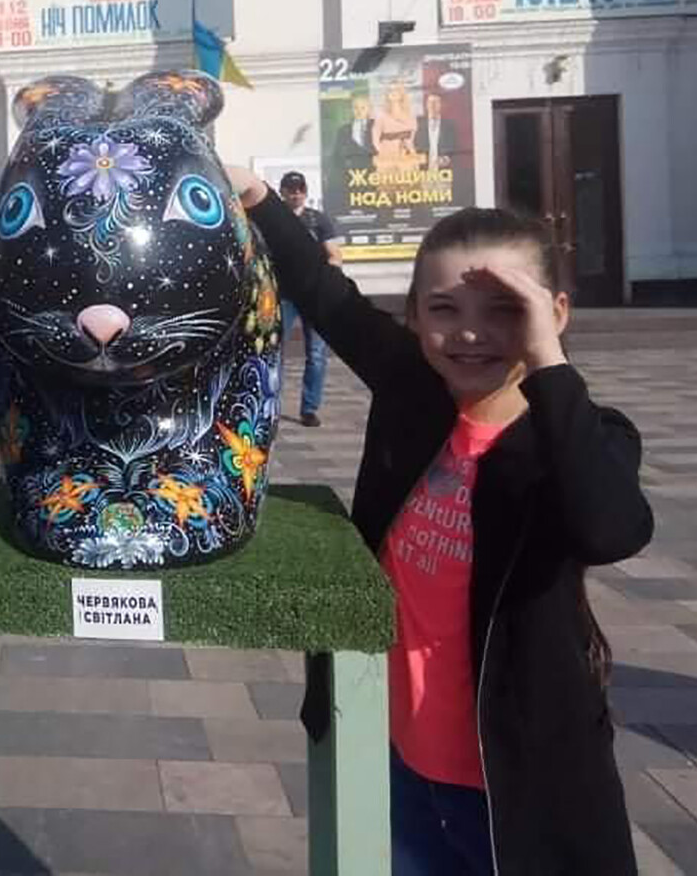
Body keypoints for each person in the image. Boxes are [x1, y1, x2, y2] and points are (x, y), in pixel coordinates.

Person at [228, 165, 651, 875]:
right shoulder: (415, 393)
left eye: (506, 310)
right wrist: (256, 198)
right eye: (445, 310)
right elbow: (329, 298)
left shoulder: (582, 440)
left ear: (555, 314)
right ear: (416, 317)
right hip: (396, 764)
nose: (471, 336)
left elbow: (609, 528)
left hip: (519, 793)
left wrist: (549, 362)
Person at [275, 172, 341, 427]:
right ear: (282, 191)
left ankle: (309, 409)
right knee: (273, 353)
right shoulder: (273, 220)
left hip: (313, 294)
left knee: (316, 353)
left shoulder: (317, 219)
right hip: (283, 295)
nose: (295, 193)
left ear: (305, 191)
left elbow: (334, 254)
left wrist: (329, 277)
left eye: (300, 189)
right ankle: (271, 404)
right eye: (290, 189)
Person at [373, 79, 419, 169]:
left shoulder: (410, 116)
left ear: (402, 94)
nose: (393, 92)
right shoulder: (381, 116)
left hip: (405, 156)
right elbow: (375, 140)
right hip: (386, 156)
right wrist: (383, 154)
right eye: (390, 90)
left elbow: (411, 141)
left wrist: (414, 157)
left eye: (396, 90)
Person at [414, 90, 456, 174]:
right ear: (426, 105)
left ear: (441, 105)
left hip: (443, 172)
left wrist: (445, 159)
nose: (432, 105)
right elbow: (413, 146)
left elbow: (453, 149)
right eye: (430, 102)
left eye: (436, 102)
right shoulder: (417, 124)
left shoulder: (449, 126)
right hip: (422, 172)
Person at [334, 93, 375, 169]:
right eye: (355, 108)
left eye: (363, 108)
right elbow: (337, 156)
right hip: (351, 171)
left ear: (369, 109)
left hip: (374, 172)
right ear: (351, 109)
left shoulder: (376, 126)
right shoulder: (343, 130)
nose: (359, 111)